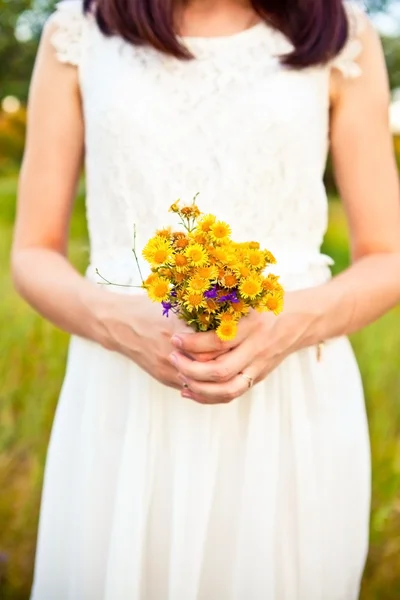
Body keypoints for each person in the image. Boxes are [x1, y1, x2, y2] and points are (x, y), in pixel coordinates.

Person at [12, 0, 400, 598]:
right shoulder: (78, 32)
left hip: (289, 402)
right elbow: (33, 251)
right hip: (121, 395)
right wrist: (119, 321)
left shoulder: (343, 35)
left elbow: (387, 255)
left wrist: (289, 323)